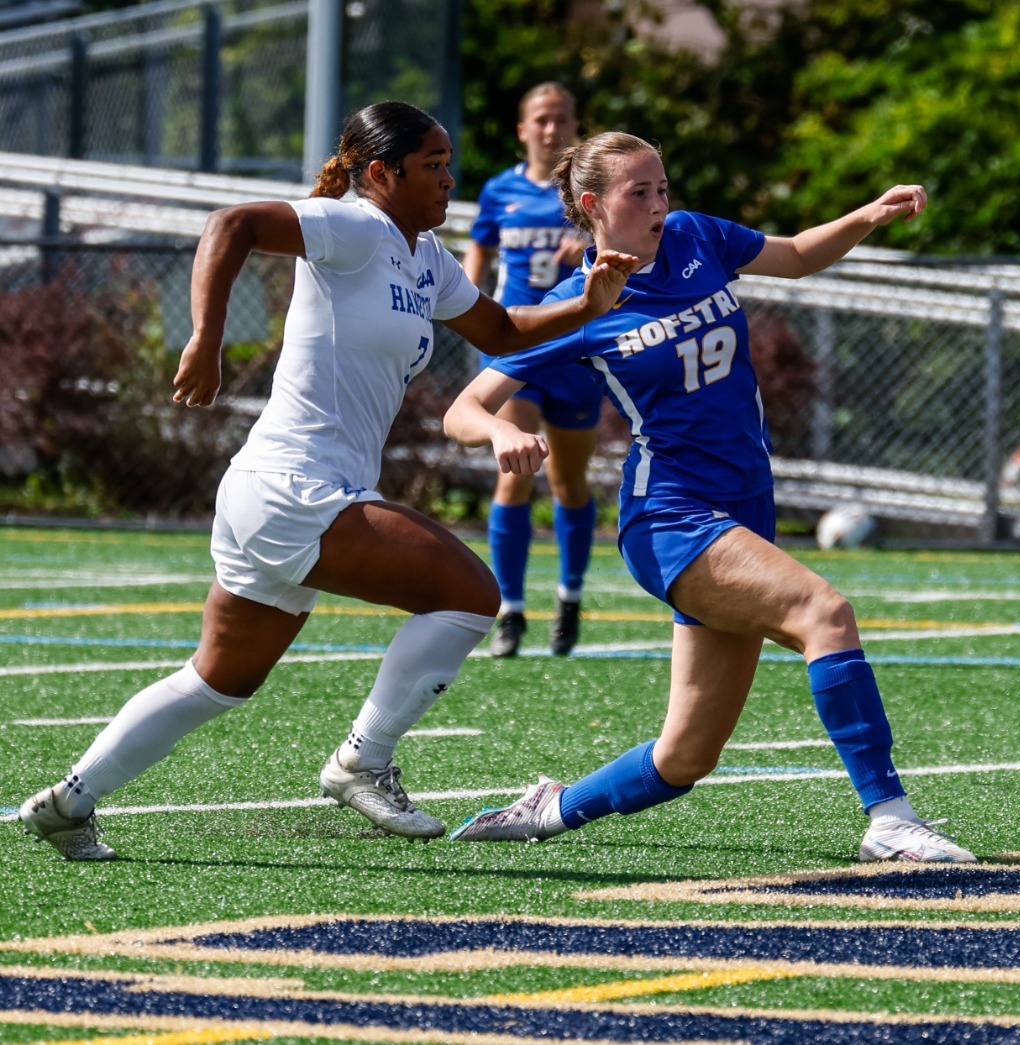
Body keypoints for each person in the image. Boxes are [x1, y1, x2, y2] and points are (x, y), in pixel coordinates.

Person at [18, 102, 637, 860]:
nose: (450, 178)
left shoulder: (425, 255)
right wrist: (205, 338)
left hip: (278, 490)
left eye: (450, 162)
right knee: (471, 594)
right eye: (433, 165)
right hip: (295, 485)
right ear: (382, 173)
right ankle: (361, 760)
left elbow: (502, 331)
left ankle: (69, 800)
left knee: (217, 681)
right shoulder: (355, 225)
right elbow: (230, 225)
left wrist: (587, 303)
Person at [441, 132, 974, 862]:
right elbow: (464, 406)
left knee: (685, 757)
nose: (661, 205)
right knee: (826, 613)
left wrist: (867, 216)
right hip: (671, 515)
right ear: (594, 205)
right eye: (641, 193)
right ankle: (889, 816)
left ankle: (551, 810)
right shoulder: (577, 302)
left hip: (745, 505)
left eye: (663, 188)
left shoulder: (696, 236)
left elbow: (793, 255)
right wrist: (498, 434)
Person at [463, 82, 601, 658]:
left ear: (575, 126)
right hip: (518, 345)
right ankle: (510, 611)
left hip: (576, 343)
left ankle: (568, 600)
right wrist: (466, 303)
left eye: (561, 118)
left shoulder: (591, 191)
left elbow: (630, 246)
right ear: (523, 129)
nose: (552, 129)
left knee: (568, 483)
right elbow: (480, 249)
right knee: (514, 471)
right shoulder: (500, 189)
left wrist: (591, 247)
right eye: (541, 119)